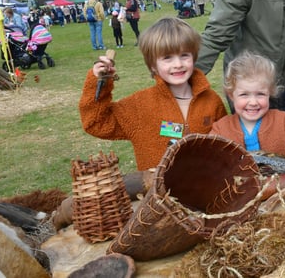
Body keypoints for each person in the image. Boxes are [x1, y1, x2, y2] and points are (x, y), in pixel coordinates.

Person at [79, 17, 227, 171]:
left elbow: (226, 145)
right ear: (153, 65)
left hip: (206, 190)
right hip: (159, 193)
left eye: (184, 55)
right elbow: (95, 123)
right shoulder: (140, 106)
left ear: (194, 57)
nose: (178, 64)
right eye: (167, 57)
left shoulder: (211, 101)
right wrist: (99, 82)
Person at [211, 51, 285, 158]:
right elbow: (207, 155)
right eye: (244, 95)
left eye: (260, 94)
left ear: (270, 92)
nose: (253, 102)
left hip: (283, 182)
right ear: (231, 95)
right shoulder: (220, 129)